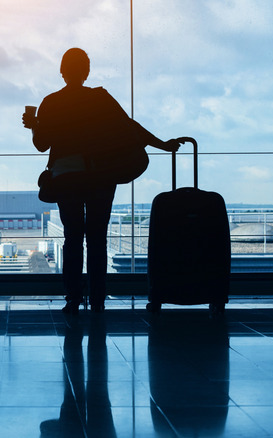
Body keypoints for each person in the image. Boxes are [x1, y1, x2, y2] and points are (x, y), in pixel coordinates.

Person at [22, 48, 179, 314]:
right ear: (86, 71)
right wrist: (162, 145)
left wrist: (34, 124)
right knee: (97, 239)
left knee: (73, 239)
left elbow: (40, 145)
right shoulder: (100, 98)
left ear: (62, 71)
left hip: (66, 176)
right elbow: (129, 126)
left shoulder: (51, 102)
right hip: (100, 177)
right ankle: (97, 300)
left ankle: (72, 299)